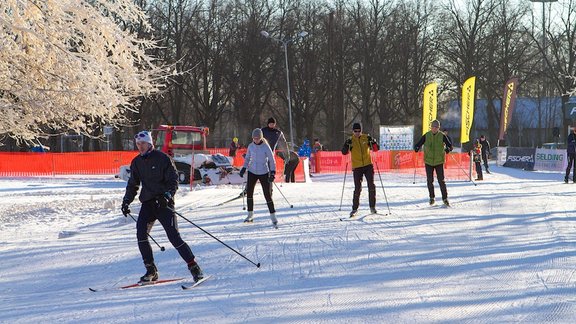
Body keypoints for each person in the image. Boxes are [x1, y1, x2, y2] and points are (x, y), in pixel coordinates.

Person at [121, 130, 204, 283]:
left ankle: (194, 267)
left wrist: (167, 196)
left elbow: (173, 181)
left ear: (150, 143)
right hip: (148, 203)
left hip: (164, 203)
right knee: (141, 235)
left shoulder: (163, 158)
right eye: (138, 144)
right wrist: (126, 201)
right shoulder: (137, 162)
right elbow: (133, 184)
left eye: (143, 144)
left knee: (174, 237)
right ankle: (150, 270)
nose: (140, 147)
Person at [239, 128, 278, 227]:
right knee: (249, 193)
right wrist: (244, 168)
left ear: (261, 138)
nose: (255, 140)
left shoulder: (265, 147)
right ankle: (250, 215)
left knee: (267, 194)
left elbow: (272, 160)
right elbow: (247, 158)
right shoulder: (251, 146)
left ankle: (273, 216)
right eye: (254, 138)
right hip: (252, 171)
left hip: (263, 172)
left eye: (257, 138)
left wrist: (272, 173)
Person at [341, 122, 380, 217]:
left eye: (359, 131)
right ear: (353, 131)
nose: (357, 133)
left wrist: (374, 142)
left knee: (371, 185)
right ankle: (354, 208)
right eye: (355, 131)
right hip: (357, 167)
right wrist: (346, 145)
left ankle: (372, 207)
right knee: (357, 188)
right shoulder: (350, 140)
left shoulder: (366, 138)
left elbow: (376, 149)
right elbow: (344, 152)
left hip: (368, 165)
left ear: (361, 131)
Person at [414, 119, 453, 206]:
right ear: (431, 127)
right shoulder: (426, 135)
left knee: (441, 181)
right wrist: (416, 147)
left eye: (436, 127)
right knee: (429, 180)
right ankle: (432, 198)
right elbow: (419, 143)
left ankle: (445, 198)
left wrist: (448, 149)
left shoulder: (442, 136)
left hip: (439, 161)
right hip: (428, 161)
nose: (434, 128)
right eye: (432, 127)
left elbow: (450, 146)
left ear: (438, 128)